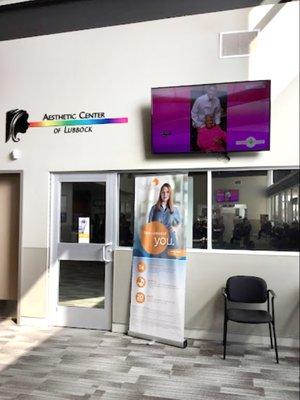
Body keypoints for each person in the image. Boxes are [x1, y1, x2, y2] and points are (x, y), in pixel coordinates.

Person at [148, 183, 181, 249]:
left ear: (170, 194)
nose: (165, 194)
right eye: (163, 192)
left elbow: (179, 224)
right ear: (160, 194)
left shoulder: (175, 209)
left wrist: (175, 229)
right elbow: (150, 225)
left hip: (171, 242)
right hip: (157, 242)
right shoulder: (154, 208)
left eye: (167, 192)